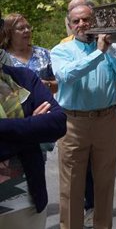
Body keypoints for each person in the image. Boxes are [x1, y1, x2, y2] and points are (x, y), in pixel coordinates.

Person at [51, 2, 116, 229]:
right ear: (70, 25)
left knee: (105, 183)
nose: (82, 24)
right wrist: (98, 53)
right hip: (74, 123)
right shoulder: (61, 50)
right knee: (72, 186)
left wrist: (110, 50)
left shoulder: (111, 48)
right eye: (77, 21)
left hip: (107, 120)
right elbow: (66, 75)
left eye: (87, 19)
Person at [0, 63, 66, 229]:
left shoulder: (22, 78)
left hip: (27, 205)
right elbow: (39, 129)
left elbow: (58, 123)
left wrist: (8, 131)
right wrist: (31, 129)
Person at [1, 14, 56, 93]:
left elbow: (60, 84)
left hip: (46, 103)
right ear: (9, 33)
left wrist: (48, 84)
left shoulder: (43, 53)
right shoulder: (3, 58)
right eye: (21, 28)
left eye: (28, 27)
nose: (27, 30)